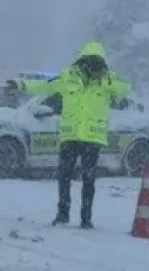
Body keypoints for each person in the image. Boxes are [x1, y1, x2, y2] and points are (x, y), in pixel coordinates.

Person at [8, 40, 131, 228]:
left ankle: (86, 218)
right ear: (82, 61)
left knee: (88, 180)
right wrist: (21, 85)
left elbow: (125, 89)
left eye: (96, 63)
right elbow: (44, 85)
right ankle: (63, 214)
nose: (91, 67)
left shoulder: (108, 82)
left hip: (92, 138)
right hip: (70, 136)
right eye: (88, 62)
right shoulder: (68, 78)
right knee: (64, 177)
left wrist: (105, 79)